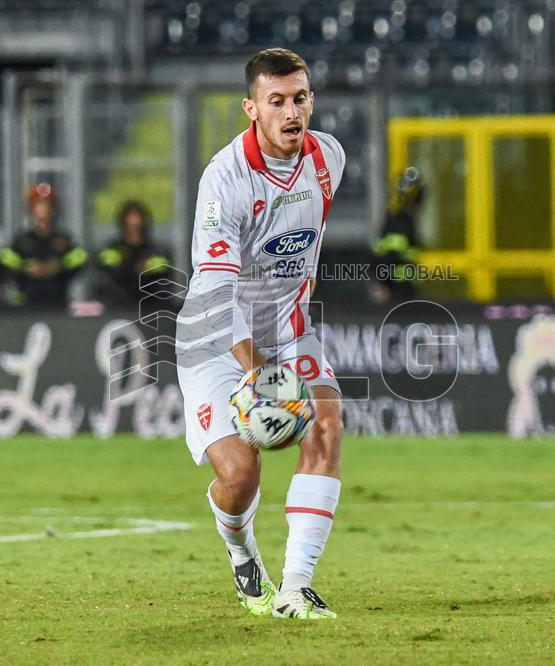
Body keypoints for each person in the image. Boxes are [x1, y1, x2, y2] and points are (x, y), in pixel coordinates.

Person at [174, 48, 345, 620]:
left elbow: (304, 240)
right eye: (277, 101)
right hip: (213, 335)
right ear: (251, 108)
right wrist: (258, 373)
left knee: (325, 422)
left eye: (300, 98)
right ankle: (241, 551)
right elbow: (220, 296)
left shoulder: (329, 159)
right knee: (241, 473)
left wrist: (295, 314)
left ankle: (295, 589)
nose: (292, 111)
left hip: (284, 326)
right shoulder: (224, 180)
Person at [0, 183, 87, 309]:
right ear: (31, 209)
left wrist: (59, 266)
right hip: (27, 301)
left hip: (58, 301)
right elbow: (5, 257)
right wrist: (25, 267)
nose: (43, 209)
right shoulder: (22, 240)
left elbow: (80, 256)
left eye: (47, 204)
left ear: (54, 208)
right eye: (38, 204)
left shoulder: (63, 239)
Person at [97, 201, 171, 306]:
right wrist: (132, 268)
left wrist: (148, 268)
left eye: (137, 224)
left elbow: (164, 268)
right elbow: (107, 268)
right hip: (118, 304)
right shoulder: (113, 249)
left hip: (150, 305)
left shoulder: (156, 250)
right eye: (130, 224)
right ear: (123, 224)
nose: (134, 228)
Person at [371, 166, 423, 304]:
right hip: (398, 289)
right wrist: (384, 285)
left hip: (401, 286)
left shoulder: (400, 220)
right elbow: (391, 256)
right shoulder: (401, 223)